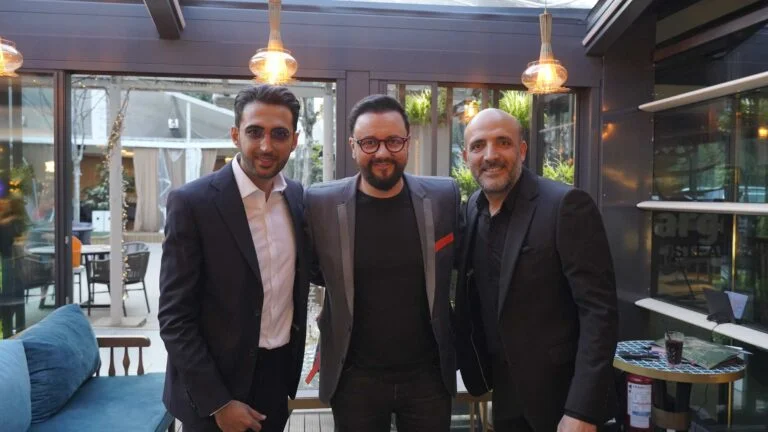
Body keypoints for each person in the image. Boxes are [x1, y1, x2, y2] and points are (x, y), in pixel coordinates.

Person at [454, 108, 618, 432]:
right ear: (466, 156)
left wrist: (582, 410)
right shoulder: (473, 207)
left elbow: (599, 313)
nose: (490, 155)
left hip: (560, 399)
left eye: (503, 142)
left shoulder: (566, 205)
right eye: (478, 146)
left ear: (522, 150)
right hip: (504, 392)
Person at [158, 85, 310, 432]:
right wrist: (218, 402)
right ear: (235, 135)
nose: (266, 146)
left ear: (294, 140)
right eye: (255, 132)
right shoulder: (192, 203)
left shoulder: (297, 198)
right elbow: (174, 317)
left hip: (276, 377)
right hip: (212, 386)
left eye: (279, 134)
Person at [304, 94, 460, 431]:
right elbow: (315, 271)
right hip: (355, 378)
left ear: (408, 142)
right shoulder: (320, 202)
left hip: (428, 377)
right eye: (369, 142)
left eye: (393, 141)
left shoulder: (444, 196)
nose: (382, 152)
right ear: (353, 147)